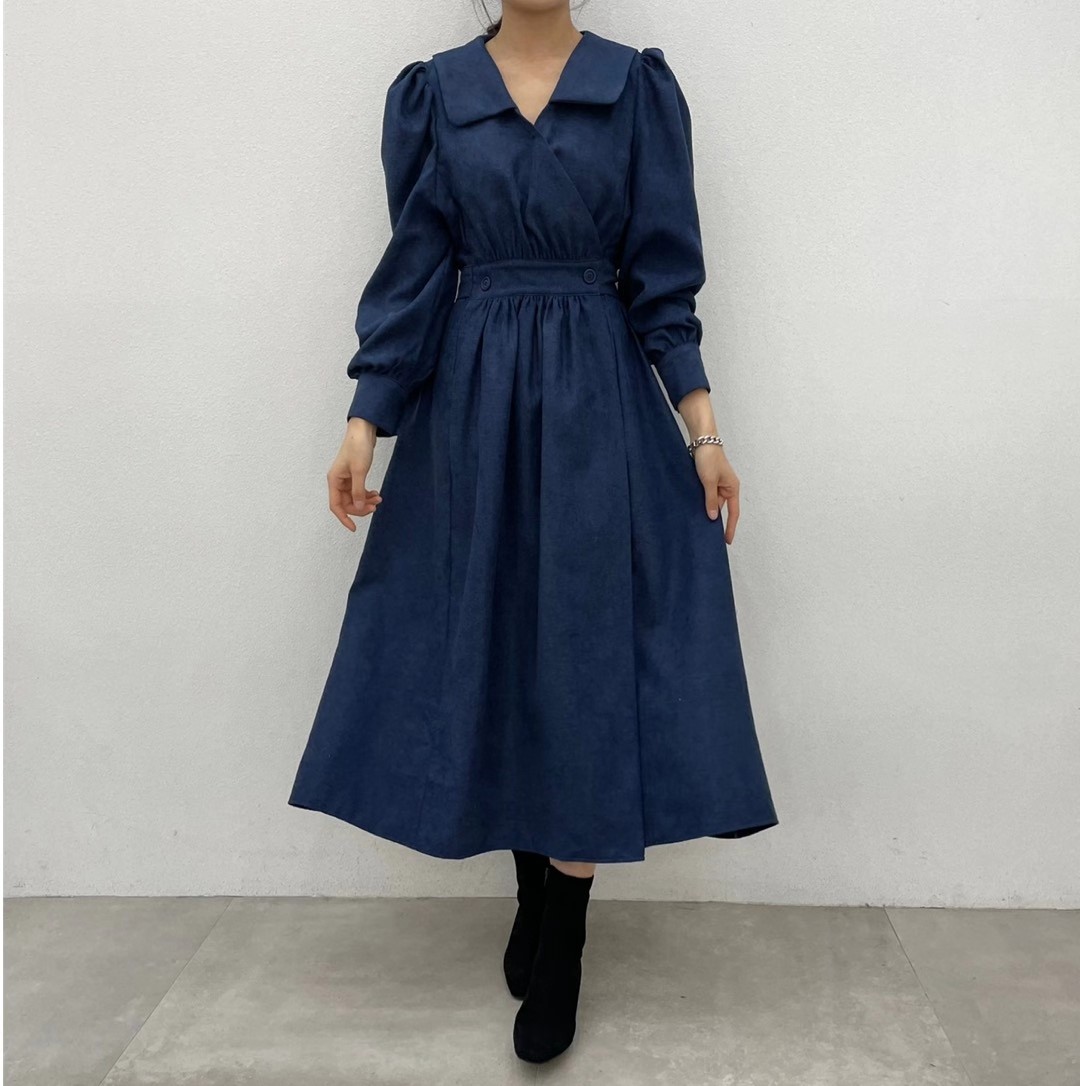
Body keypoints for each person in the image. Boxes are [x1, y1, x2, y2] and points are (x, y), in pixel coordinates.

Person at [289, 0, 779, 1064]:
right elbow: (416, 274)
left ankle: (564, 936)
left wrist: (703, 432)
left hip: (599, 413)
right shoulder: (434, 95)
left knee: (586, 666)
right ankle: (531, 885)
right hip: (473, 414)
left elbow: (663, 283)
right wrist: (364, 423)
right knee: (505, 652)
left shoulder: (636, 88)